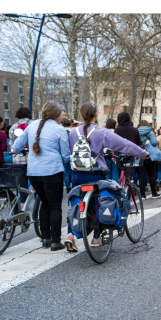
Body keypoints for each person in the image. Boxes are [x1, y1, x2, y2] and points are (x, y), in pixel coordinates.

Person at [64, 102, 148, 252]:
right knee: (100, 201)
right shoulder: (100, 132)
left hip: (77, 175)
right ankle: (97, 237)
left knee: (76, 201)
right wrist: (143, 153)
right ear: (96, 114)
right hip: (97, 174)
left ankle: (70, 234)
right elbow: (124, 145)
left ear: (81, 115)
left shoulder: (72, 133)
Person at [9, 100, 70, 252]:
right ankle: (56, 241)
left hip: (34, 172)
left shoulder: (31, 126)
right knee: (55, 206)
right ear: (57, 115)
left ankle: (45, 238)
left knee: (44, 203)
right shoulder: (59, 130)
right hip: (52, 171)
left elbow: (15, 147)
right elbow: (66, 156)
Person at [136, 119, 161, 199]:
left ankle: (142, 194)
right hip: (149, 155)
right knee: (151, 174)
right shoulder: (150, 131)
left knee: (141, 175)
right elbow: (154, 142)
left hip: (140, 155)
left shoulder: (136, 131)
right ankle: (154, 193)